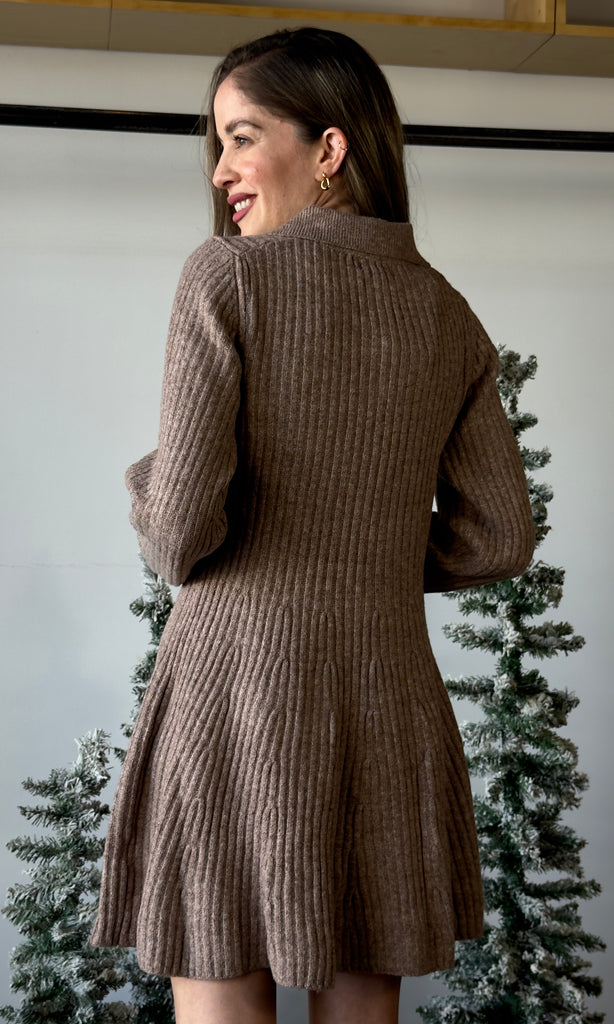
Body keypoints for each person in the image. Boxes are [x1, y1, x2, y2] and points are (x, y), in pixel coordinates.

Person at [91, 26, 535, 1024]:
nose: (221, 169)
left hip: (233, 698)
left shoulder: (227, 276)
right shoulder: (446, 313)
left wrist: (147, 480)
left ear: (329, 147)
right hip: (385, 701)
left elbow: (176, 538)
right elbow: (499, 536)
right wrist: (365, 551)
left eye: (243, 137)